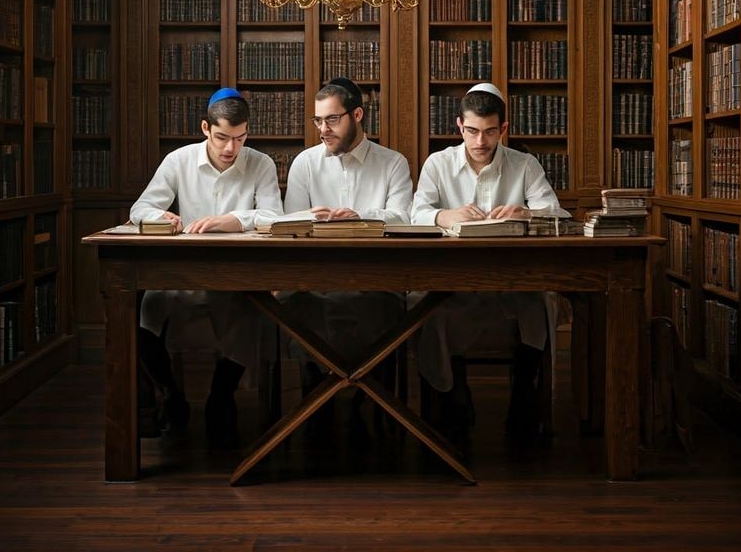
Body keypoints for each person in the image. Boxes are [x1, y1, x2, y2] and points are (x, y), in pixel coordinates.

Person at [410, 84, 568, 444]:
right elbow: (415, 213)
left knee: (541, 301)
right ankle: (453, 393)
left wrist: (527, 212)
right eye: (472, 131)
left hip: (513, 280)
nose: (480, 141)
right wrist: (445, 215)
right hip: (453, 281)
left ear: (503, 129)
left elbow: (557, 213)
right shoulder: (438, 163)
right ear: (459, 126)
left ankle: (525, 393)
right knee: (427, 307)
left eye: (490, 131)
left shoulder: (524, 164)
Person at [128, 87, 283, 445]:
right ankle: (171, 395)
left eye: (240, 138)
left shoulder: (260, 163)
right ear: (205, 129)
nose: (231, 148)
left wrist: (233, 220)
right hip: (182, 274)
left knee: (251, 310)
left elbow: (275, 217)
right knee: (146, 310)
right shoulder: (179, 161)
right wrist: (161, 217)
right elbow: (140, 209)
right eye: (222, 137)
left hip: (235, 278)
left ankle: (220, 396)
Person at [282, 76, 414, 428]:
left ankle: (374, 395)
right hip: (315, 280)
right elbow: (290, 224)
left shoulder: (393, 163)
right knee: (295, 306)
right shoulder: (305, 163)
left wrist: (361, 216)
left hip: (376, 281)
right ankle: (315, 392)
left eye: (332, 119)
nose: (323, 130)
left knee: (385, 310)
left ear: (357, 115)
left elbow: (404, 218)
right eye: (318, 120)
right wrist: (309, 218)